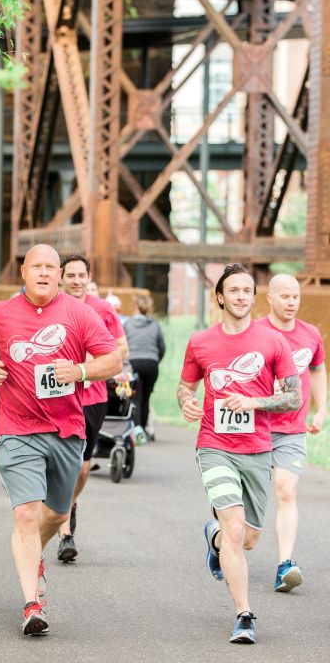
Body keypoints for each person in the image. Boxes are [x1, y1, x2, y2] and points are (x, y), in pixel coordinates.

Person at [0, 244, 121, 637]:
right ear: (23, 271)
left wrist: (80, 371)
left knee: (56, 514)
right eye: (37, 266)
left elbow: (112, 360)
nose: (44, 272)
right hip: (17, 428)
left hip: (66, 429)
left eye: (51, 267)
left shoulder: (79, 313)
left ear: (59, 275)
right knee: (25, 513)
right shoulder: (0, 313)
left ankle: (34, 554)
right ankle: (32, 604)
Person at [177, 263, 300, 645]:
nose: (241, 296)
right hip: (214, 445)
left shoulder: (273, 342)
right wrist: (186, 402)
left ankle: (212, 536)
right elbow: (185, 386)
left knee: (247, 539)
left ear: (253, 296)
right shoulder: (200, 341)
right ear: (220, 297)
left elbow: (294, 397)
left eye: (247, 290)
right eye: (234, 290)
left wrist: (254, 402)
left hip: (258, 448)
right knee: (234, 527)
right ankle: (244, 614)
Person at [257, 273, 327, 592]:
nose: (291, 302)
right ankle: (222, 542)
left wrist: (321, 409)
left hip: (292, 429)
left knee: (286, 491)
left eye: (295, 296)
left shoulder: (310, 334)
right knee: (247, 501)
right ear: (270, 298)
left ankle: (284, 565)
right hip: (255, 426)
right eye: (285, 296)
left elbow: (317, 369)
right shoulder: (256, 332)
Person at [57, 254, 128, 562]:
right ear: (61, 277)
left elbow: (122, 347)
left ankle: (68, 504)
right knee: (62, 464)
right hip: (57, 397)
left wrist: (91, 363)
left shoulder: (103, 309)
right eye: (70, 275)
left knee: (83, 467)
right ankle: (64, 531)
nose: (76, 281)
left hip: (92, 397)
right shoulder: (51, 307)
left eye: (81, 275)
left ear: (89, 278)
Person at [124, 295, 165, 435]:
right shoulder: (155, 325)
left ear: (136, 307)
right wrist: (155, 360)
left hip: (133, 362)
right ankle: (144, 430)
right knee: (146, 398)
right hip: (151, 364)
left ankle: (137, 431)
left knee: (136, 397)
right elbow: (162, 347)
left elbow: (122, 344)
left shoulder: (128, 323)